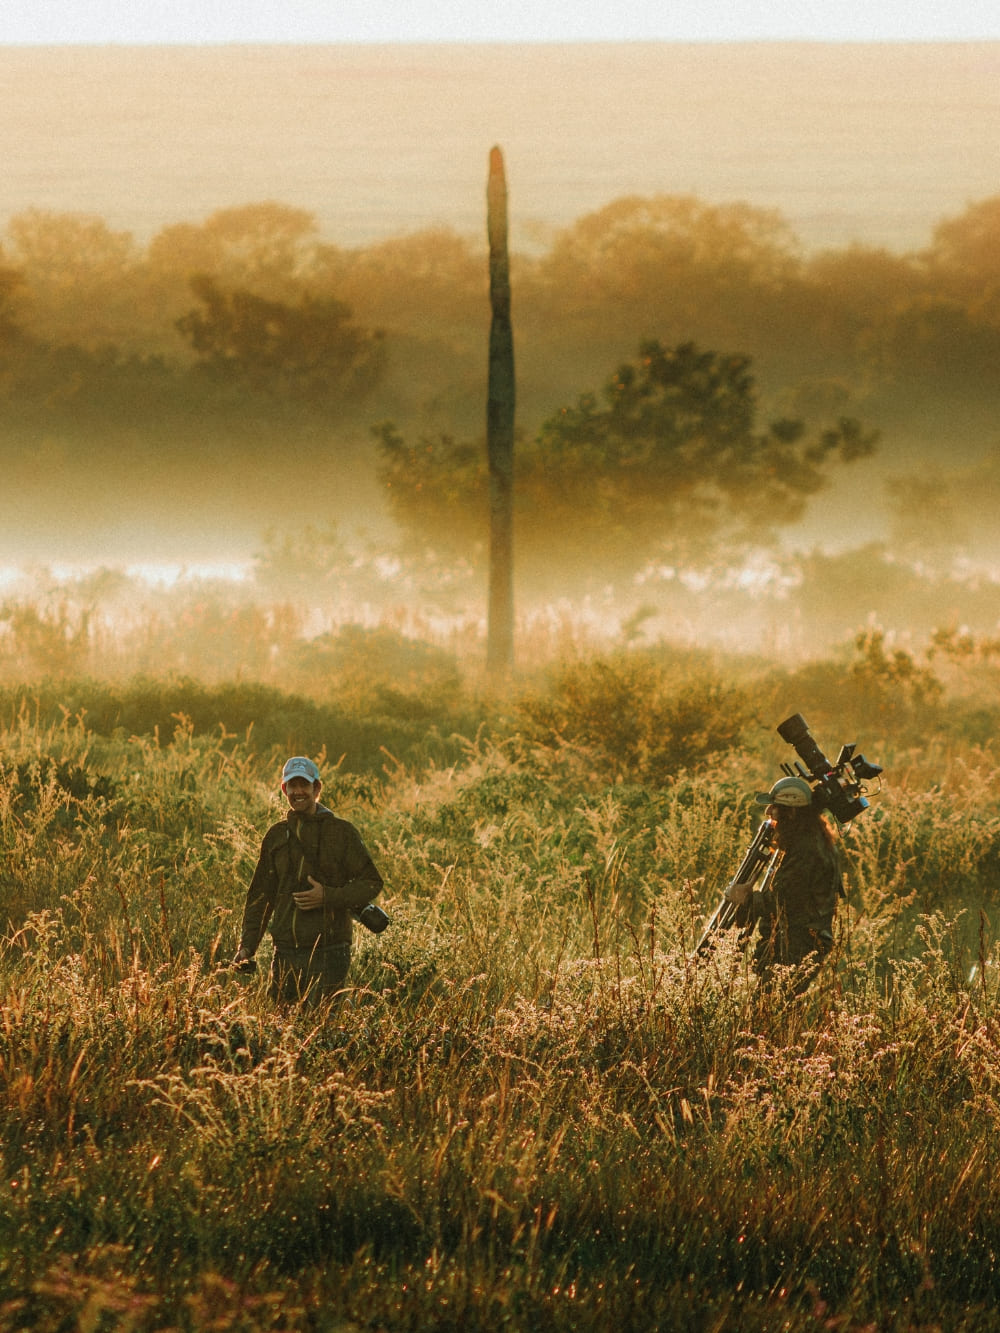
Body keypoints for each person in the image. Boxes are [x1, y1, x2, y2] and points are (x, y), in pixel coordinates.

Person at [232, 756, 384, 1007]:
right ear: (284, 790)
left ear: (317, 788)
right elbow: (260, 896)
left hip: (329, 953)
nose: (298, 792)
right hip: (285, 954)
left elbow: (371, 882)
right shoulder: (276, 835)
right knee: (283, 1034)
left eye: (305, 785)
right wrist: (247, 947)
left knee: (322, 1033)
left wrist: (327, 896)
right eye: (293, 786)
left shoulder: (341, 832)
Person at [724, 775, 843, 987]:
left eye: (775, 807)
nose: (769, 812)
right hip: (800, 942)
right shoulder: (809, 839)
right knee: (776, 1010)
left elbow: (785, 900)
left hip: (797, 946)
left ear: (792, 811)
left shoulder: (807, 849)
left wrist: (747, 899)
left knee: (771, 1009)